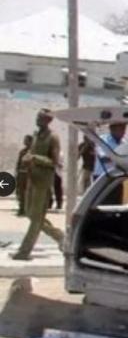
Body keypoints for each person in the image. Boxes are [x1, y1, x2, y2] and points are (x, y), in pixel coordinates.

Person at [11, 110, 64, 260]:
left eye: (40, 118)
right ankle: (60, 236)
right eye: (37, 117)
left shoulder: (53, 138)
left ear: (48, 120)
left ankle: (24, 252)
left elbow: (53, 162)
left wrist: (35, 158)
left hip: (43, 182)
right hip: (31, 179)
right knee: (30, 213)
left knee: (36, 219)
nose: (37, 120)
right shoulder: (35, 135)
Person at [93, 122, 128, 205]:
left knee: (116, 204)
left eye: (124, 129)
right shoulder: (103, 140)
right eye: (121, 129)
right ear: (112, 129)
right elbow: (103, 158)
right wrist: (119, 159)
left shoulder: (124, 142)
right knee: (102, 203)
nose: (123, 132)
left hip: (117, 177)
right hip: (102, 177)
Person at [15, 135, 32, 217]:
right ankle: (21, 209)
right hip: (21, 174)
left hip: (29, 174)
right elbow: (18, 163)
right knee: (21, 192)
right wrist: (17, 173)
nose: (24, 141)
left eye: (26, 140)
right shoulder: (22, 152)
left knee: (28, 193)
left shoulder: (33, 151)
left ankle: (27, 210)